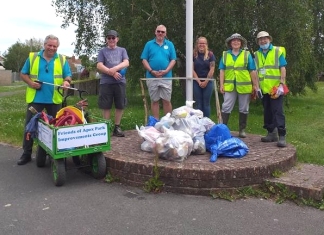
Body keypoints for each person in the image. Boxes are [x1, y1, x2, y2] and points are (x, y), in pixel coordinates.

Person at [18, 34, 72, 165]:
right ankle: (26, 154)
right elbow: (22, 73)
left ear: (57, 47)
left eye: (54, 46)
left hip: (54, 99)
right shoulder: (33, 57)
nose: (52, 48)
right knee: (30, 126)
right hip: (35, 98)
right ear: (44, 45)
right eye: (49, 45)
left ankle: (52, 153)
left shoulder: (61, 59)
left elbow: (68, 75)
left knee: (55, 127)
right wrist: (31, 83)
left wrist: (66, 82)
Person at [219, 33, 258, 138]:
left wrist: (255, 85)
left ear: (241, 43)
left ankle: (242, 129)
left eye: (238, 41)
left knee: (244, 108)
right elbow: (222, 70)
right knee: (226, 106)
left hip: (244, 86)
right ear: (230, 43)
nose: (236, 42)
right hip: (229, 86)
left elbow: (252, 70)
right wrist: (221, 84)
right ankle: (223, 128)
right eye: (233, 41)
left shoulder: (247, 54)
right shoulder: (225, 54)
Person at [254, 31, 287, 147]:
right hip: (264, 89)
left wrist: (282, 83)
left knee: (277, 111)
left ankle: (282, 135)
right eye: (260, 39)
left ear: (269, 39)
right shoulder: (256, 54)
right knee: (267, 111)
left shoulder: (277, 51)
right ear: (258, 42)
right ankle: (271, 133)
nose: (263, 41)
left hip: (276, 88)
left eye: (265, 38)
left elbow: (282, 68)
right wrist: (257, 87)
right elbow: (256, 72)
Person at [97, 30, 129, 137]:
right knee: (106, 105)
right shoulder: (102, 51)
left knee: (120, 104)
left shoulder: (122, 50)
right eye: (109, 38)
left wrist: (114, 69)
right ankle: (105, 128)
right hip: (106, 82)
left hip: (120, 82)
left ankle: (117, 127)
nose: (111, 40)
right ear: (106, 40)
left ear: (117, 39)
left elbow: (126, 62)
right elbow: (99, 65)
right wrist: (111, 73)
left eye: (113, 38)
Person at [141, 25, 177, 120]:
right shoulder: (149, 44)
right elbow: (144, 59)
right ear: (155, 32)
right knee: (154, 100)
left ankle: (167, 122)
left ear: (165, 34)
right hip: (152, 76)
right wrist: (151, 71)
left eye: (162, 32)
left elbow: (173, 60)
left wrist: (166, 71)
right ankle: (156, 122)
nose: (160, 33)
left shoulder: (170, 44)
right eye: (158, 31)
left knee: (166, 100)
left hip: (166, 76)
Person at [192, 37, 216, 117]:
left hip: (208, 81)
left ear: (206, 44)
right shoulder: (193, 54)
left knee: (206, 103)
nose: (202, 45)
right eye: (200, 43)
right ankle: (198, 123)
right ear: (197, 44)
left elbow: (212, 69)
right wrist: (199, 81)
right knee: (198, 103)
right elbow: (192, 69)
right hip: (196, 81)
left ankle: (206, 122)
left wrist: (206, 81)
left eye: (203, 43)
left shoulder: (210, 55)